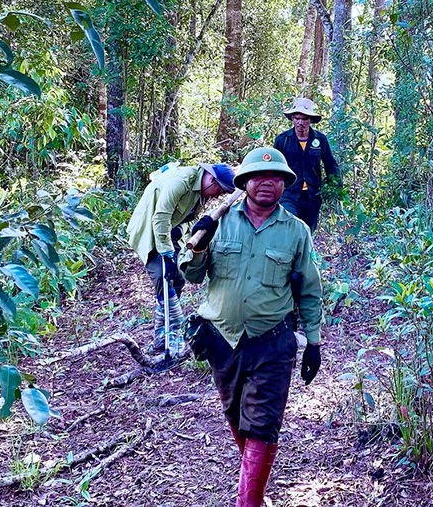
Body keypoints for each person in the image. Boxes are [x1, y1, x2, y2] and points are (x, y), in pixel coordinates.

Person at [179, 147, 322, 507]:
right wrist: (198, 243)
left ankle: (249, 500)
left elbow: (309, 290)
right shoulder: (220, 221)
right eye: (258, 176)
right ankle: (254, 486)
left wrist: (314, 343)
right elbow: (192, 275)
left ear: (284, 184)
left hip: (272, 341)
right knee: (238, 419)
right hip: (222, 342)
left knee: (262, 425)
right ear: (244, 182)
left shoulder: (296, 232)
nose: (267, 183)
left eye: (275, 178)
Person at [127, 161, 236, 354]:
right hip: (149, 230)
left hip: (169, 230)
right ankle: (172, 334)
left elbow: (189, 218)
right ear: (211, 179)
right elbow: (160, 217)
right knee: (163, 277)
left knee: (178, 277)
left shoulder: (201, 193)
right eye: (220, 190)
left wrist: (180, 230)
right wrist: (167, 255)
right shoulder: (182, 181)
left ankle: (163, 335)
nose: (218, 195)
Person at [273, 97, 340, 232]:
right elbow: (274, 166)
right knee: (291, 226)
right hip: (289, 193)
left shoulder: (320, 139)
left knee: (308, 231)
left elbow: (330, 164)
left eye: (304, 119)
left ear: (310, 120)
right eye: (297, 118)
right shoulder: (283, 140)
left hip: (312, 195)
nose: (300, 122)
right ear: (292, 118)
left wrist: (336, 186)